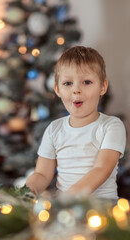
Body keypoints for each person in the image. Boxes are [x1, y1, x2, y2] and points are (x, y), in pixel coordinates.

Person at [26, 46, 126, 199]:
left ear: (102, 86)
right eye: (67, 83)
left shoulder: (111, 126)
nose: (76, 90)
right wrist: (25, 193)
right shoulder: (54, 129)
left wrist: (68, 197)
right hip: (66, 210)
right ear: (57, 89)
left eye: (86, 82)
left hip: (103, 209)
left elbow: (101, 169)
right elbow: (42, 174)